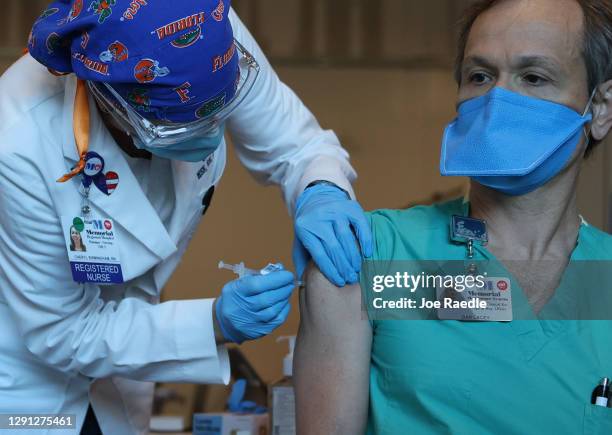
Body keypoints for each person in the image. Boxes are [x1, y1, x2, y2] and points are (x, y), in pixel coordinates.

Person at [0, 1, 371, 434]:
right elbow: (63, 332)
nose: (213, 134)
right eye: (185, 128)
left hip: (120, 374)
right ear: (109, 100)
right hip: (26, 384)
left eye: (221, 114)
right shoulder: (18, 143)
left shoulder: (203, 31)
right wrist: (213, 322)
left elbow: (296, 146)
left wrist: (320, 191)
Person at [294, 0, 612, 433]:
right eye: (479, 76)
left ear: (601, 108)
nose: (498, 100)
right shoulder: (374, 256)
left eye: (534, 77)